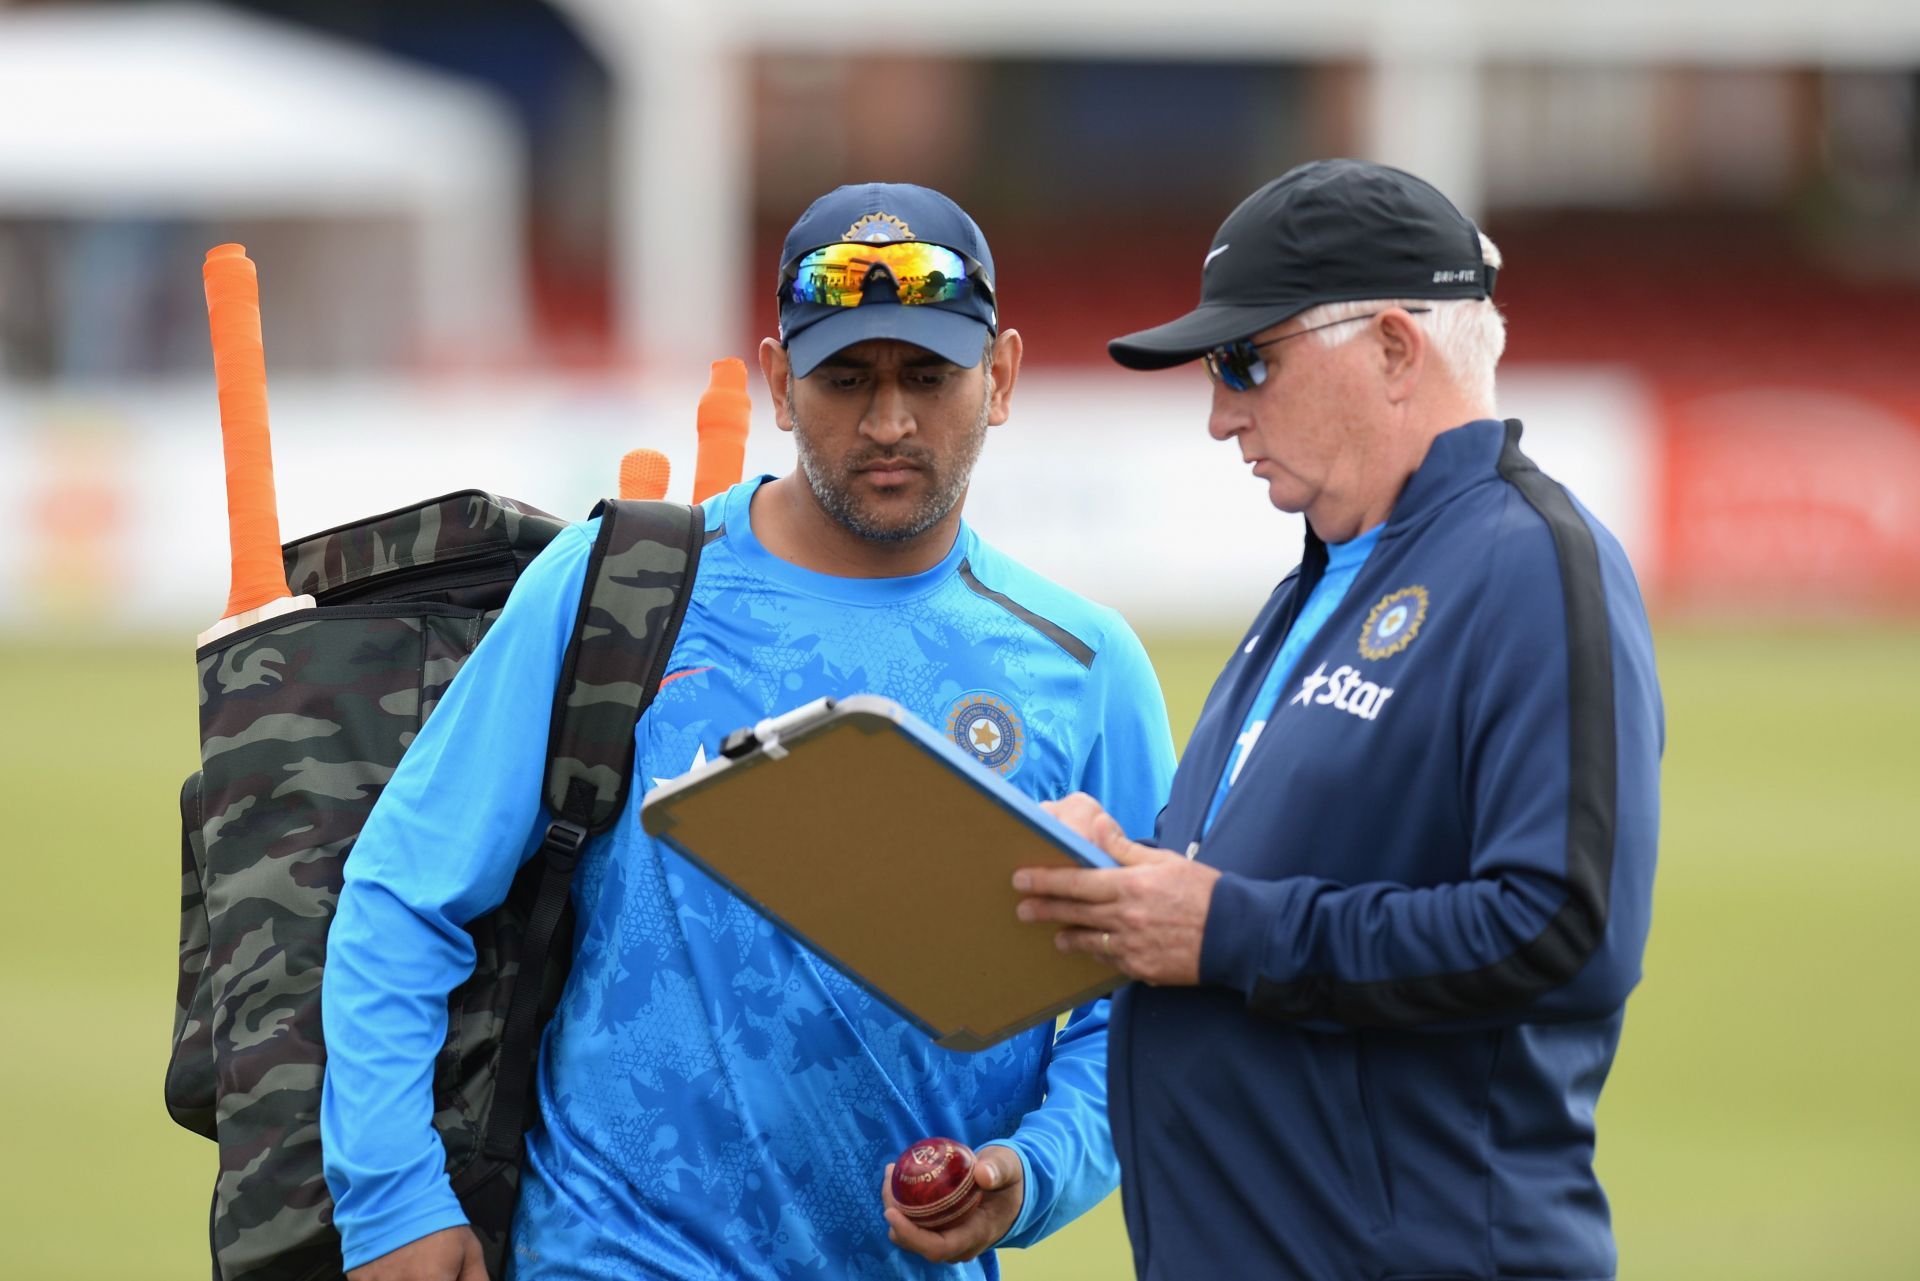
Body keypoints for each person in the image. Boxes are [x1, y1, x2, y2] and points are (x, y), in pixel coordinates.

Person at [320, 182, 1176, 1280]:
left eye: (928, 375)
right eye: (844, 377)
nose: (888, 422)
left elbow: (1135, 1015)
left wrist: (1033, 1172)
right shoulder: (616, 587)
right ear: (777, 379)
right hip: (607, 1255)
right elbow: (403, 892)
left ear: (1001, 377)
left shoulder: (1082, 665)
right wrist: (392, 1200)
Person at [1013, 158, 1663, 1280]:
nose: (1221, 414)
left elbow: (1567, 934)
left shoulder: (1529, 561)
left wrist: (1227, 931)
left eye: (1247, 361)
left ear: (1395, 349)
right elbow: (1248, 878)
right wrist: (1133, 871)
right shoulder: (1320, 581)